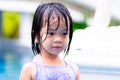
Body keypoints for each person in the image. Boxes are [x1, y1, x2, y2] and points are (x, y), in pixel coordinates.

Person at [19, 2, 80, 80]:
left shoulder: (74, 71)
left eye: (64, 33)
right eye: (51, 33)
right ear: (37, 36)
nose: (58, 39)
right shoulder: (30, 69)